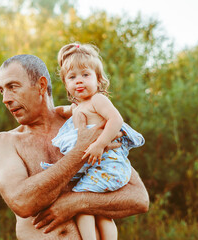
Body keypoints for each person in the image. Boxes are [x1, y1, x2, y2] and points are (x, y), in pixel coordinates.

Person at [0, 54, 149, 239]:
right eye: (2, 91)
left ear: (41, 85)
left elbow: (139, 198)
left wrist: (77, 202)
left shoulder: (86, 120)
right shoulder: (3, 142)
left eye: (12, 87)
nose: (5, 99)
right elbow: (22, 202)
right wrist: (80, 150)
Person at [39, 42, 145, 240]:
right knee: (101, 212)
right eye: (72, 77)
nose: (79, 81)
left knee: (81, 203)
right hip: (100, 167)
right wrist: (51, 111)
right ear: (66, 84)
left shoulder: (98, 100)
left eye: (85, 75)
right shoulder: (79, 107)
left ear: (98, 79)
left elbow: (116, 120)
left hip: (108, 165)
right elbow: (61, 110)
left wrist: (100, 144)